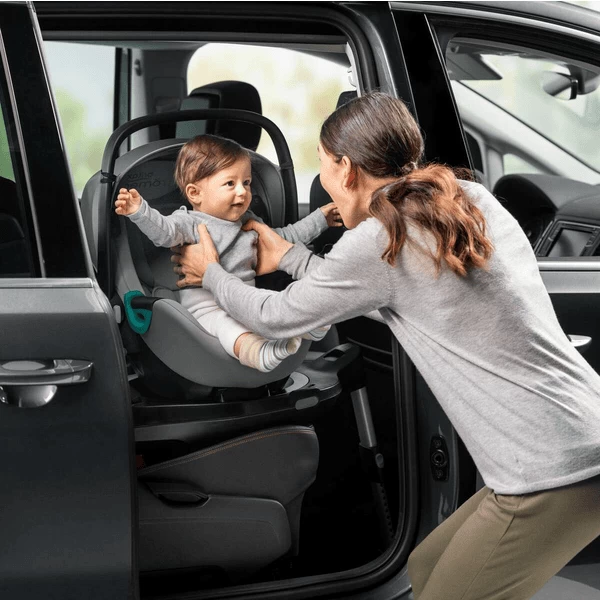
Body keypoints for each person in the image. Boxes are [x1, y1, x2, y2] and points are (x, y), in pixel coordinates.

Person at [170, 92, 600, 600]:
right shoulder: (465, 197)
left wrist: (211, 273)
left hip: (553, 469)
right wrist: (288, 257)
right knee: (424, 564)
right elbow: (403, 296)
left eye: (323, 166)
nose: (323, 181)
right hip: (578, 431)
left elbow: (275, 316)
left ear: (346, 169)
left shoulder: (378, 237)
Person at [115, 133, 341, 372]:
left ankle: (307, 324)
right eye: (230, 184)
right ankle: (257, 351)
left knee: (275, 304)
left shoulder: (249, 222)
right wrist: (139, 211)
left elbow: (285, 238)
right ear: (195, 193)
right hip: (206, 308)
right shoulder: (189, 222)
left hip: (244, 300)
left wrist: (320, 219)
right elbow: (164, 232)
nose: (242, 192)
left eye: (247, 183)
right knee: (226, 326)